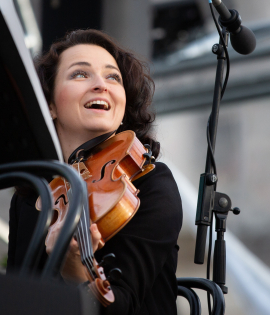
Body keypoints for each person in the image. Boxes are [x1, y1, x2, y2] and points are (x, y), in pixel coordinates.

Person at [7, 29, 183, 314]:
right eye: (80, 74)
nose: (102, 85)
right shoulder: (31, 195)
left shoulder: (149, 182)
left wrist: (75, 270)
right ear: (49, 104)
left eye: (113, 77)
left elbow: (121, 305)